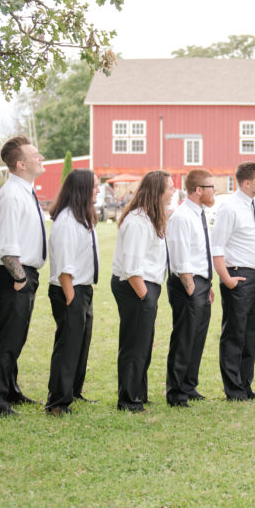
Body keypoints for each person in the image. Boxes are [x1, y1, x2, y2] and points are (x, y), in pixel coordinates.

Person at [0, 136, 46, 417]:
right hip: (13, 274)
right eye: (35, 155)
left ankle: (10, 390)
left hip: (23, 272)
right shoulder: (11, 195)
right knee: (9, 339)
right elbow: (7, 246)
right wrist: (20, 279)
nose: (41, 157)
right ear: (21, 164)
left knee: (16, 337)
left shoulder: (25, 191)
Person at [110, 171, 174, 413]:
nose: (172, 191)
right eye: (169, 187)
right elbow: (133, 266)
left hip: (145, 286)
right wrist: (145, 296)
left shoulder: (151, 217)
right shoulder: (137, 221)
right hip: (136, 286)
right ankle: (128, 399)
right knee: (134, 345)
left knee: (143, 344)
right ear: (157, 191)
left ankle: (138, 392)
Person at [210, 162, 255, 401]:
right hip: (238, 276)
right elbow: (216, 247)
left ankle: (246, 385)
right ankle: (234, 390)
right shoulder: (229, 208)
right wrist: (227, 279)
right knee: (235, 334)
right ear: (247, 183)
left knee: (251, 334)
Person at [43, 169, 100, 416]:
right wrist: (71, 298)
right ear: (83, 190)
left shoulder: (81, 218)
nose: (98, 190)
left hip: (82, 289)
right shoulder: (66, 222)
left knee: (80, 344)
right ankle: (57, 402)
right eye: (95, 186)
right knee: (68, 346)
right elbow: (65, 268)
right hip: (70, 290)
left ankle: (73, 392)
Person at [165, 168, 216, 407]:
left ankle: (189, 385)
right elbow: (180, 255)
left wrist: (208, 285)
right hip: (188, 283)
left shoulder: (200, 213)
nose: (214, 190)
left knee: (197, 337)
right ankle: (176, 392)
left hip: (201, 282)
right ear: (198, 190)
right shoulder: (182, 216)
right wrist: (190, 285)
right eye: (211, 186)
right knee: (184, 337)